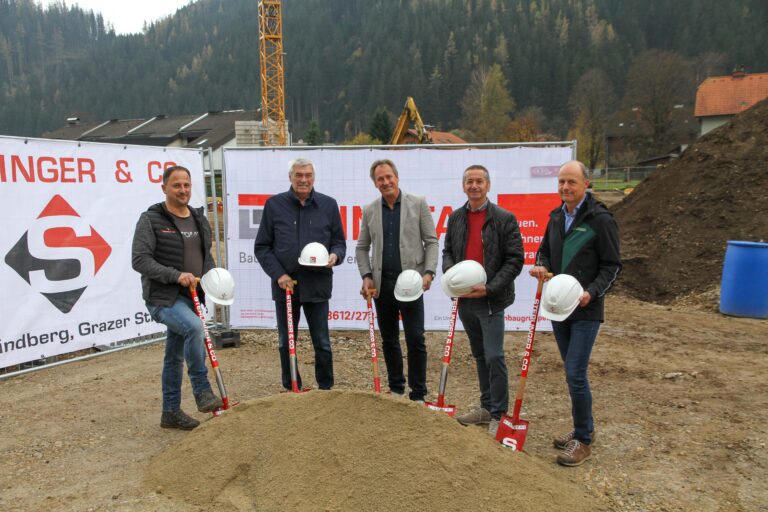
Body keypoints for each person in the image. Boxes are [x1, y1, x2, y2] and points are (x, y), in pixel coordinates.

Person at [530, 160, 621, 466]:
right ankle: (585, 427)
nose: (565, 187)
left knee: (575, 373)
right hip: (559, 308)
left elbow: (612, 266)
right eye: (561, 182)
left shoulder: (600, 220)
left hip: (585, 308)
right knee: (572, 373)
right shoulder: (556, 216)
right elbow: (544, 249)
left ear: (586, 184)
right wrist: (542, 264)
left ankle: (583, 440)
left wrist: (591, 292)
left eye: (571, 182)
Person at [132, 165, 224, 431]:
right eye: (176, 185)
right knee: (194, 329)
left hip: (193, 296)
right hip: (164, 297)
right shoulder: (151, 220)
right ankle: (202, 390)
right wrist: (175, 275)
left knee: (174, 355)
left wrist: (213, 279)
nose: (182, 190)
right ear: (164, 188)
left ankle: (170, 412)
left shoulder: (198, 218)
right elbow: (139, 260)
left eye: (186, 185)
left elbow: (206, 256)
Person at [443, 164, 524, 435]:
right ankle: (485, 407)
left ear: (488, 186)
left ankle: (498, 414)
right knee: (479, 355)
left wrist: (490, 288)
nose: (474, 186)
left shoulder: (504, 218)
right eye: (469, 181)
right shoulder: (455, 218)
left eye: (479, 181)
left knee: (494, 355)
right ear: (463, 186)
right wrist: (452, 277)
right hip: (466, 299)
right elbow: (448, 252)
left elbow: (515, 260)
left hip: (491, 299)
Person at [254, 157, 345, 391]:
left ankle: (326, 389)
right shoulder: (274, 205)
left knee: (322, 343)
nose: (303, 180)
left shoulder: (328, 205)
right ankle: (292, 387)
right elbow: (262, 247)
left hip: (317, 285)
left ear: (314, 178)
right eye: (298, 175)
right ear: (290, 177)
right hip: (286, 286)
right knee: (286, 343)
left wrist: (335, 256)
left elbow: (339, 243)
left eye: (308, 175)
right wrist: (278, 275)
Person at [356, 159, 439, 402]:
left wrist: (429, 272)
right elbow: (362, 248)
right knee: (389, 339)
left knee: (415, 338)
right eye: (380, 179)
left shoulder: (418, 203)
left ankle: (419, 393)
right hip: (383, 286)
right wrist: (367, 276)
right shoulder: (370, 210)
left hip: (412, 284)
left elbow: (431, 242)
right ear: (375, 183)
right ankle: (396, 389)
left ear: (397, 177)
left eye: (389, 177)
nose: (386, 182)